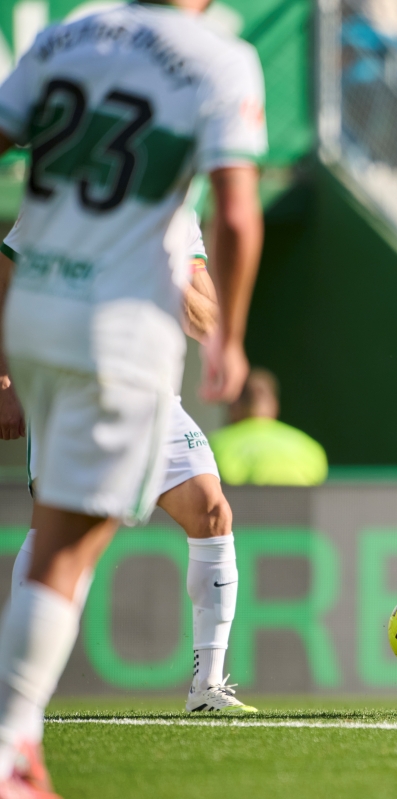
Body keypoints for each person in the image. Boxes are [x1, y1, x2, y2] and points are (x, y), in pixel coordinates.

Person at [0, 1, 265, 793]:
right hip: (114, 335)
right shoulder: (216, 58)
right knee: (70, 542)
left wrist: (204, 313)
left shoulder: (67, 34)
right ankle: (14, 741)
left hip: (52, 319)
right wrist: (232, 340)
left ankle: (206, 685)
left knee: (204, 510)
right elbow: (241, 218)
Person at [0, 217, 255, 715]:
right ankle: (13, 693)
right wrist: (4, 378)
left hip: (156, 397)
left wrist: (169, 281)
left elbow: (208, 322)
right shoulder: (73, 193)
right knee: (59, 538)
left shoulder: (181, 216)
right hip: (75, 391)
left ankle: (208, 687)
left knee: (212, 513)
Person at [208, 369, 328, 487]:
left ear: (235, 405)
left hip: (244, 506)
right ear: (275, 405)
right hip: (300, 507)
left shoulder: (212, 446)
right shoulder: (311, 448)